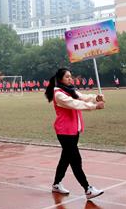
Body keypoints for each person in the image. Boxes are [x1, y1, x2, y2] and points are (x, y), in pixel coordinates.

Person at [45, 68, 105, 200]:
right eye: (67, 77)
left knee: (65, 159)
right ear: (60, 79)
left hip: (73, 130)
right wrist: (95, 106)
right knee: (75, 160)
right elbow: (75, 104)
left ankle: (56, 184)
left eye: (70, 76)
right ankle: (87, 189)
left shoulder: (70, 90)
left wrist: (95, 97)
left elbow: (82, 96)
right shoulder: (58, 94)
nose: (70, 79)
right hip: (65, 132)